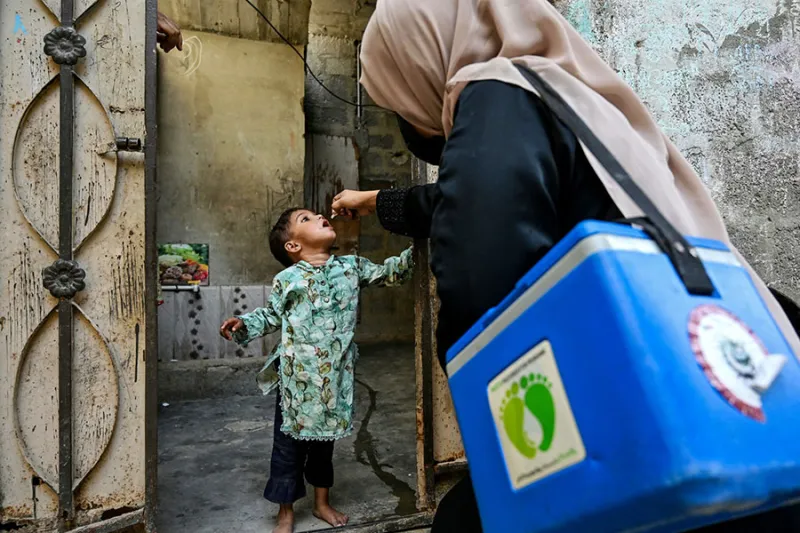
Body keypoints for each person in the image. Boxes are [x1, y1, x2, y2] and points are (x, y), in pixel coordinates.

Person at [331, 0, 800, 531]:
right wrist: (382, 202)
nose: (405, 116)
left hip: (646, 436)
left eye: (395, 95)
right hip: (733, 402)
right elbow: (472, 199)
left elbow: (485, 303)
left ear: (420, 54)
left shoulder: (494, 95)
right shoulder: (572, 93)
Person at [219, 208, 413, 533]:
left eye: (316, 215)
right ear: (293, 246)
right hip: (297, 381)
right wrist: (244, 323)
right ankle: (285, 511)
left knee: (324, 447)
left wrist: (422, 243)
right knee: (287, 449)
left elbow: (391, 272)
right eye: (305, 219)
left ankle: (322, 503)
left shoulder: (351, 267)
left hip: (334, 379)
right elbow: (271, 316)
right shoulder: (287, 280)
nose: (320, 216)